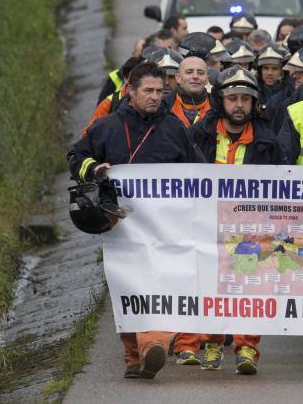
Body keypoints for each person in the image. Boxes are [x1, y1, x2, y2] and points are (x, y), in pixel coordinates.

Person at [68, 62, 204, 380]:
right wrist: (95, 169)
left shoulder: (174, 129)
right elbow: (76, 156)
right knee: (128, 289)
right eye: (149, 91)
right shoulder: (107, 127)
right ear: (131, 91)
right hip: (121, 227)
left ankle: (152, 343)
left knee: (161, 287)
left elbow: (200, 173)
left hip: (166, 228)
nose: (156, 97)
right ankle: (134, 355)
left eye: (160, 91)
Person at [188, 67, 287, 375]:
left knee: (249, 286)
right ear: (221, 100)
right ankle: (213, 343)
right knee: (211, 286)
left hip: (251, 230)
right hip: (207, 226)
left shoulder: (267, 141)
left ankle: (247, 347)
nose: (239, 105)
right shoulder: (199, 134)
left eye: (245, 98)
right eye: (233, 98)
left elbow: (283, 186)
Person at [97, 30, 175, 104]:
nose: (167, 82)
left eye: (171, 77)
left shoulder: (180, 73)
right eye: (148, 90)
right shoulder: (114, 100)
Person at [168, 55, 212, 127]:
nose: (195, 76)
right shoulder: (163, 107)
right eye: (189, 72)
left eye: (200, 73)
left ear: (207, 79)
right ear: (178, 78)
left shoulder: (218, 108)